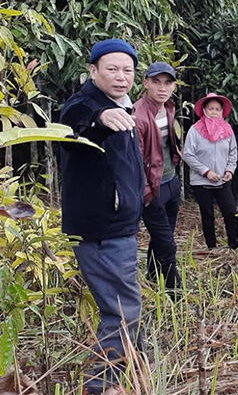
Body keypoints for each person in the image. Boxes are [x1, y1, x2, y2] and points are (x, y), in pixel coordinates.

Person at [59, 39, 143, 394]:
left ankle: (129, 372)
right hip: (101, 229)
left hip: (117, 225)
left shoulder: (122, 104)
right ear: (92, 71)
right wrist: (100, 119)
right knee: (122, 310)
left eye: (127, 70)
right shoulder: (85, 104)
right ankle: (102, 386)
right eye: (112, 69)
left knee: (124, 305)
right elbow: (73, 126)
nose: (121, 77)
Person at [133, 62, 182, 291]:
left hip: (171, 181)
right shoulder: (138, 116)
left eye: (167, 83)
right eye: (156, 82)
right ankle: (176, 294)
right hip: (152, 189)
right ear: (145, 83)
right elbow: (135, 162)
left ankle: (153, 277)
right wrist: (146, 194)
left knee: (163, 236)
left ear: (173, 86)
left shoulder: (169, 107)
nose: (162, 88)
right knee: (167, 244)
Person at [182, 93, 238, 250]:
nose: (214, 112)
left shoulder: (227, 130)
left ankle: (234, 247)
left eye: (217, 109)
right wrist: (206, 172)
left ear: (222, 111)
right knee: (207, 216)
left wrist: (230, 170)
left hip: (222, 179)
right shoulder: (195, 130)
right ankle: (211, 247)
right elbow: (187, 154)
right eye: (211, 108)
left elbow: (233, 152)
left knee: (230, 213)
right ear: (204, 110)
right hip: (201, 182)